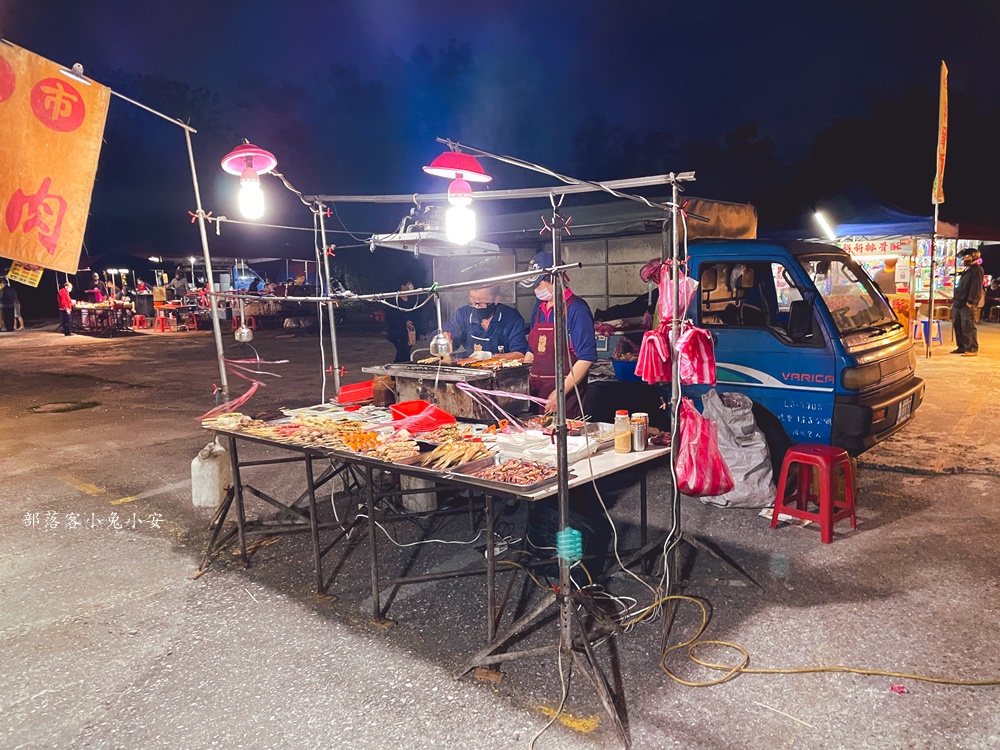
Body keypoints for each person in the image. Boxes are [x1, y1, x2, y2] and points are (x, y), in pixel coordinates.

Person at [520, 250, 598, 418]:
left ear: (555, 279)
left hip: (565, 397)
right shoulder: (539, 308)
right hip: (536, 393)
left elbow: (586, 358)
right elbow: (531, 350)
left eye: (538, 284)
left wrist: (559, 393)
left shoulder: (576, 309)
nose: (535, 289)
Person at [442, 284, 529, 360]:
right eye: (472, 300)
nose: (476, 306)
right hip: (471, 370)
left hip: (504, 375)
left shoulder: (511, 317)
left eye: (481, 301)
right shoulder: (462, 314)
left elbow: (520, 354)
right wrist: (443, 339)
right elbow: (448, 332)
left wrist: (490, 357)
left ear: (496, 299)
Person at [950, 247, 985, 357]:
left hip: (967, 303)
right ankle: (962, 346)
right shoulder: (967, 270)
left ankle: (972, 348)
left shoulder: (977, 270)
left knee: (968, 326)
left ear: (974, 257)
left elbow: (976, 287)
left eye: (966, 257)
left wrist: (971, 301)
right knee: (958, 325)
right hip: (958, 302)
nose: (964, 259)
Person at [385, 281, 421, 363]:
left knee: (403, 353)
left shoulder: (412, 299)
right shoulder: (394, 300)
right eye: (407, 284)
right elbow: (391, 317)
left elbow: (415, 313)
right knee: (403, 353)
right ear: (402, 286)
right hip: (397, 332)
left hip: (408, 332)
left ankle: (394, 372)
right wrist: (404, 322)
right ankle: (398, 371)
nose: (409, 285)